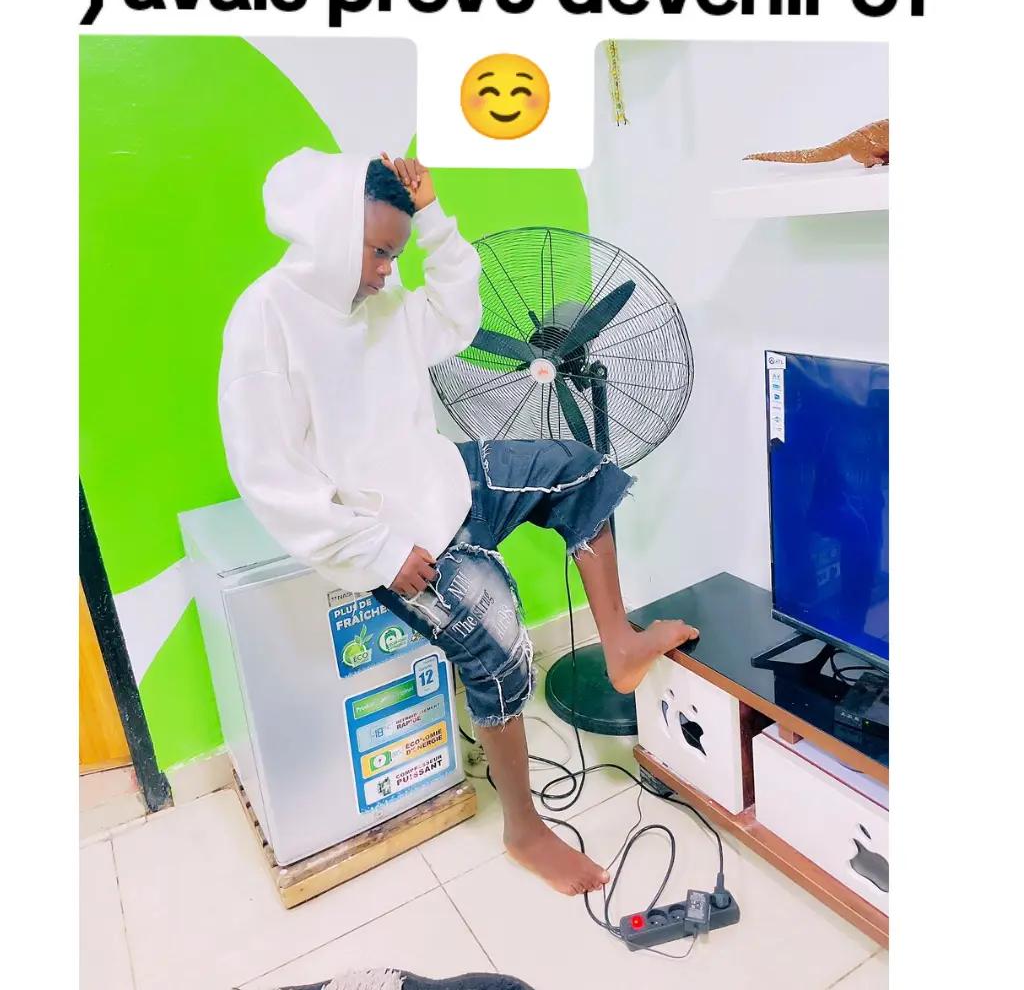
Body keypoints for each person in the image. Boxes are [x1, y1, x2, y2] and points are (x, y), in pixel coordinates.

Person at [219, 148, 698, 896]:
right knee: (499, 645)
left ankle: (620, 646)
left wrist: (434, 217)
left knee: (580, 468)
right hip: (388, 535)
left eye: (395, 254)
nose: (387, 271)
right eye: (378, 252)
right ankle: (523, 829)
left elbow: (456, 315)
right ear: (328, 232)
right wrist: (379, 553)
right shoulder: (265, 320)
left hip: (442, 482)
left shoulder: (380, 301)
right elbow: (269, 477)